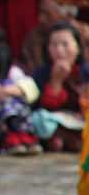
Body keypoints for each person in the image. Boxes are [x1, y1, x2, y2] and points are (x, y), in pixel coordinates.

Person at [31, 22, 89, 153]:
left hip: (82, 121)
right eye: (54, 45)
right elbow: (44, 106)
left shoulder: (85, 72)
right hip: (55, 122)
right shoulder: (42, 73)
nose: (59, 50)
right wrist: (56, 80)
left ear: (77, 47)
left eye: (65, 44)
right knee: (38, 119)